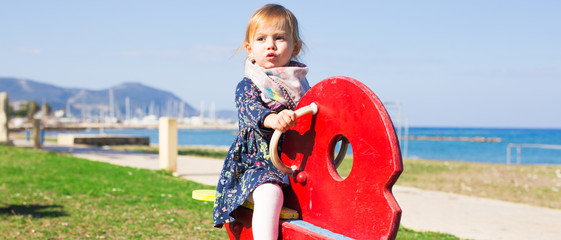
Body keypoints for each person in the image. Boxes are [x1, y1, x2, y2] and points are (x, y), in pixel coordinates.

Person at [213, 4, 310, 239]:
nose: (270, 45)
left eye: (279, 38)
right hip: (255, 166)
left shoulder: (302, 87)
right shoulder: (249, 85)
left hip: (292, 166)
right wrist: (273, 118)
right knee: (270, 193)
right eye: (261, 38)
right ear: (249, 49)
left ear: (295, 47)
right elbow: (251, 111)